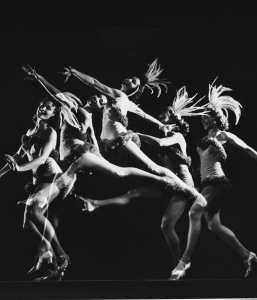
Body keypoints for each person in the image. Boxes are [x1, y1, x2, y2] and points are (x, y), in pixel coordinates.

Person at [77, 87, 208, 270]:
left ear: (174, 120)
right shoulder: (164, 132)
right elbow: (146, 116)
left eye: (164, 116)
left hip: (183, 181)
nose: (161, 118)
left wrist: (132, 134)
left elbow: (159, 142)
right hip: (170, 182)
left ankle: (180, 265)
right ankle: (95, 204)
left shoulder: (177, 136)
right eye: (161, 116)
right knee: (134, 193)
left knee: (166, 225)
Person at [60, 60, 203, 203]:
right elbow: (145, 115)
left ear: (135, 89)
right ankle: (69, 180)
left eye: (133, 81)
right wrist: (161, 125)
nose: (128, 80)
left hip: (119, 137)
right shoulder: (126, 101)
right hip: (108, 142)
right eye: (129, 78)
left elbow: (95, 83)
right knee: (117, 171)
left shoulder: (118, 95)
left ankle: (188, 188)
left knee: (152, 167)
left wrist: (75, 73)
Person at [170, 81, 257, 280]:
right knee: (214, 226)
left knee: (194, 212)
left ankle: (185, 259)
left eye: (206, 118)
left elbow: (246, 148)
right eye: (203, 119)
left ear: (216, 119)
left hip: (218, 182)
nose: (204, 122)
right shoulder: (204, 138)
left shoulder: (224, 135)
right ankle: (247, 255)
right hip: (206, 183)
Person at [0, 96, 72, 281]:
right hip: (38, 180)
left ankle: (61, 255)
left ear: (54, 113)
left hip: (53, 176)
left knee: (33, 210)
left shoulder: (51, 132)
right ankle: (53, 266)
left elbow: (42, 158)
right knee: (27, 225)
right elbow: (18, 155)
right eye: (42, 106)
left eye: (48, 108)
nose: (44, 110)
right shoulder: (30, 131)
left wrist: (20, 168)